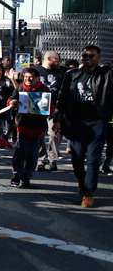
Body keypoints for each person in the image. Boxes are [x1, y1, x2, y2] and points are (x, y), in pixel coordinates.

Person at [53, 45, 113, 208]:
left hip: (98, 122)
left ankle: (88, 193)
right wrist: (57, 119)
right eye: (85, 55)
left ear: (98, 58)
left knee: (94, 159)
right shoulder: (72, 75)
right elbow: (62, 97)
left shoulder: (106, 74)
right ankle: (81, 181)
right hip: (76, 123)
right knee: (77, 158)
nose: (87, 58)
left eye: (91, 56)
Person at [6, 66, 50, 188]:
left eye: (31, 77)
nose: (28, 80)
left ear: (37, 78)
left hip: (38, 128)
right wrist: (12, 103)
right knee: (20, 152)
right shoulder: (20, 88)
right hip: (23, 126)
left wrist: (40, 110)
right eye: (25, 77)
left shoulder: (45, 90)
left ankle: (27, 177)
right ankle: (17, 175)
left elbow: (51, 108)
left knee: (33, 154)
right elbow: (10, 101)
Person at [36, 51, 65, 172]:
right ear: (48, 58)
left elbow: (63, 92)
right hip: (39, 105)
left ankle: (53, 159)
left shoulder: (60, 74)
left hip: (54, 106)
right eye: (56, 59)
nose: (58, 61)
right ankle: (41, 159)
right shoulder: (37, 70)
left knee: (54, 134)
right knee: (40, 133)